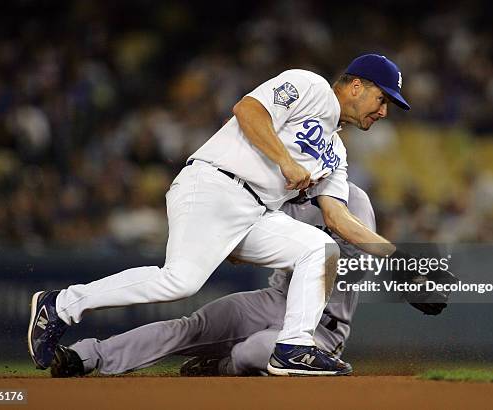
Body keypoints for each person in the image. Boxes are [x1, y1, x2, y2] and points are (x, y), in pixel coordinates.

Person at [28, 54, 412, 376]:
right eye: (382, 99)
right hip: (215, 184)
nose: (383, 111)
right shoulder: (310, 86)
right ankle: (62, 304)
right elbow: (247, 110)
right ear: (357, 86)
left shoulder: (337, 153)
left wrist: (405, 263)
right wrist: (284, 162)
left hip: (255, 211)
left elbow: (339, 217)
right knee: (179, 283)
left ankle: (293, 348)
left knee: (321, 247)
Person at [50, 182, 447, 377]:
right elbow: (234, 248)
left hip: (320, 327)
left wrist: (410, 279)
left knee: (252, 352)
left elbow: (361, 261)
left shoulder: (351, 200)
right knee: (189, 327)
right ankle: (88, 355)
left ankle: (222, 366)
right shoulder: (269, 197)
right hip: (273, 301)